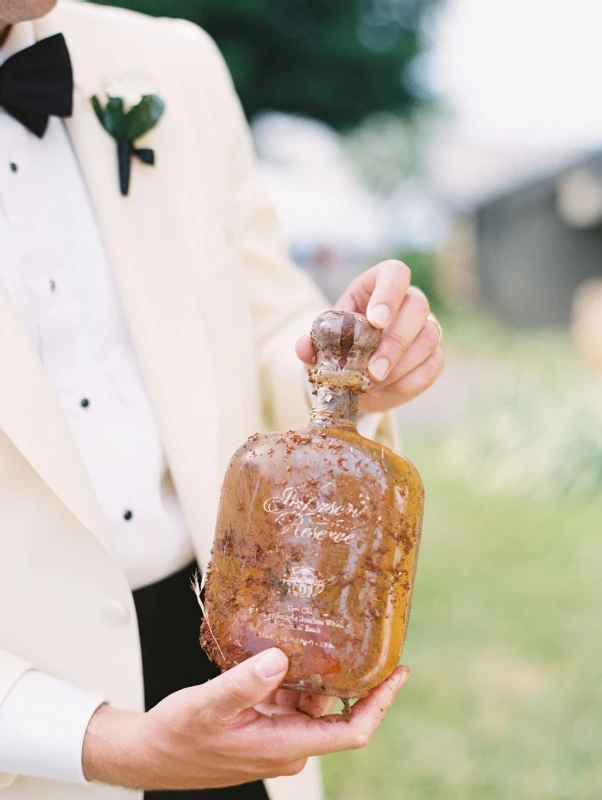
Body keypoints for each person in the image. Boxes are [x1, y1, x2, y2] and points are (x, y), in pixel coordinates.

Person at [0, 1, 445, 799]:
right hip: (33, 739)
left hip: (232, 674)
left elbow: (265, 324)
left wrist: (351, 373)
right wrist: (102, 742)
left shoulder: (175, 63)